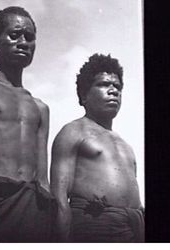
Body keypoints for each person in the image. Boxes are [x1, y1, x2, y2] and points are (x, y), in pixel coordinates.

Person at [50, 54, 144, 242]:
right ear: (84, 95)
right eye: (103, 84)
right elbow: (59, 199)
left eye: (117, 87)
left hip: (135, 227)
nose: (113, 91)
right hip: (96, 224)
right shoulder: (73, 131)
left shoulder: (125, 144)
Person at [0, 6, 55, 242]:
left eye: (29, 37)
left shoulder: (40, 107)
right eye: (14, 35)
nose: (23, 42)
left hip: (30, 209)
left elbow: (43, 178)